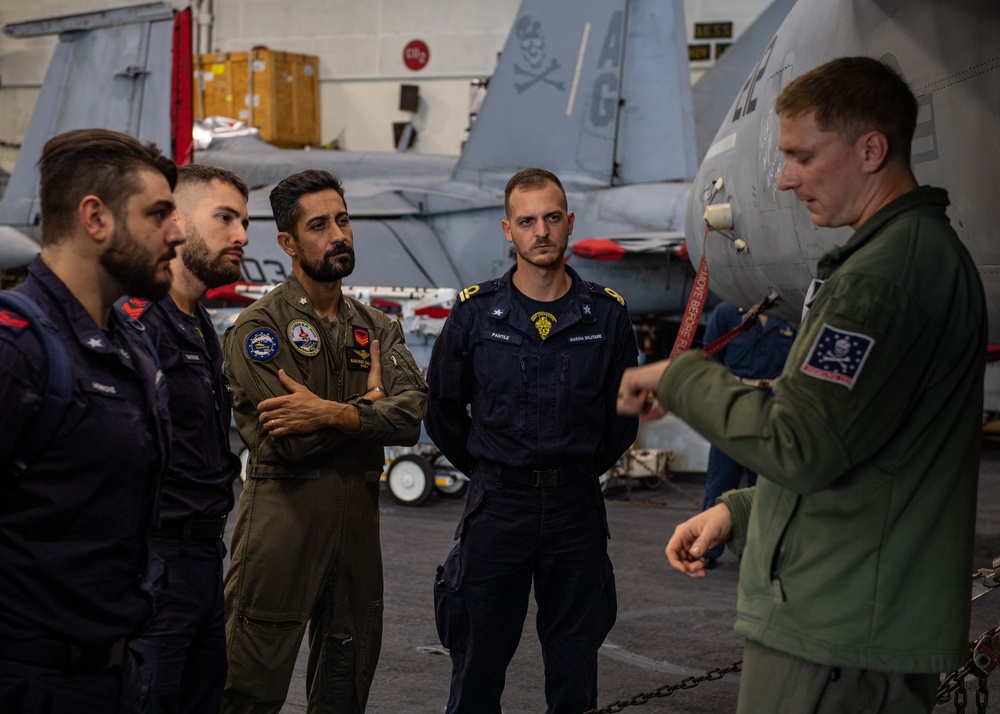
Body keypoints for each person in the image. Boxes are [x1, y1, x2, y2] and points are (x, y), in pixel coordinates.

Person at [617, 57, 986, 713]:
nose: (785, 180)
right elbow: (867, 453)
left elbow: (800, 440)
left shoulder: (881, 280)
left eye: (802, 156)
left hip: (838, 634)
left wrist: (681, 375)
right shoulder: (905, 258)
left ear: (871, 149)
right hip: (853, 616)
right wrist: (741, 510)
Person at [426, 168, 639, 714]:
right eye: (527, 221)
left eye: (550, 218)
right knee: (477, 659)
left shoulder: (606, 316)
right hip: (499, 507)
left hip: (575, 510)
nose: (540, 231)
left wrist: (579, 470)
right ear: (508, 230)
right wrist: (489, 469)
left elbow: (622, 418)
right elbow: (443, 409)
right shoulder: (475, 314)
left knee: (574, 664)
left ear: (569, 223)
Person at [221, 169, 427, 713]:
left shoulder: (377, 328)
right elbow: (288, 443)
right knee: (250, 689)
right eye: (319, 225)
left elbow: (410, 418)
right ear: (287, 242)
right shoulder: (256, 330)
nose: (338, 234)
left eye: (342, 220)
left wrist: (328, 413)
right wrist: (368, 408)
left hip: (358, 530)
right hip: (283, 525)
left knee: (346, 689)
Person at [0, 128, 183, 711]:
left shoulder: (129, 343)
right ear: (95, 219)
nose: (177, 233)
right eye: (158, 214)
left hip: (112, 674)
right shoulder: (17, 351)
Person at [119, 164, 250, 713]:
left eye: (244, 222)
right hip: (155, 562)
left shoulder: (198, 324)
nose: (242, 236)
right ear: (176, 220)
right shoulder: (137, 322)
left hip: (201, 557)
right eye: (225, 218)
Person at [697, 301, 796, 567]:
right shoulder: (727, 313)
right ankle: (708, 547)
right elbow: (710, 360)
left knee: (765, 481)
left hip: (774, 405)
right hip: (735, 404)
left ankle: (755, 548)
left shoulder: (789, 313)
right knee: (721, 478)